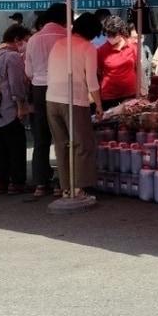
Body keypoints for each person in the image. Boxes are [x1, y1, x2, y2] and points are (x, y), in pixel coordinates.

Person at [45, 12, 103, 200]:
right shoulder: (88, 47)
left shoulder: (59, 44)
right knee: (82, 144)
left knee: (61, 145)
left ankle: (66, 188)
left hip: (52, 99)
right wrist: (99, 105)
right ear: (93, 31)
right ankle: (79, 188)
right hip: (74, 101)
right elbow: (92, 81)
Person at [22, 2, 68, 198]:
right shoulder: (66, 37)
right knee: (63, 137)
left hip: (39, 90)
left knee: (41, 138)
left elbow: (28, 72)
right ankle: (62, 182)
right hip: (62, 89)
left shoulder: (33, 39)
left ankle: (40, 183)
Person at [0, 25, 30, 194]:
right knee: (16, 145)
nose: (26, 44)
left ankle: (0, 182)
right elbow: (16, 85)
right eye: (26, 40)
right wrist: (22, 106)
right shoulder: (13, 56)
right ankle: (17, 182)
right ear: (17, 39)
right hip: (9, 108)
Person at [97, 16, 139, 110]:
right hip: (109, 97)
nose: (110, 38)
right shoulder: (101, 51)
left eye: (113, 35)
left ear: (121, 32)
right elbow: (99, 73)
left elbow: (137, 69)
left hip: (130, 94)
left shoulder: (132, 48)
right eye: (108, 35)